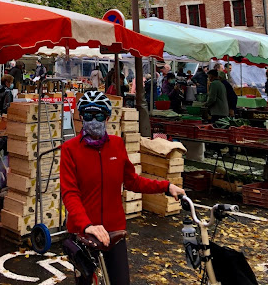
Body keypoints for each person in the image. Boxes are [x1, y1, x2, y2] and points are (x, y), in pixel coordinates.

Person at [60, 90, 185, 285]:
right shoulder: (70, 149)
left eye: (99, 115)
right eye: (88, 115)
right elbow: (69, 193)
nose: (94, 120)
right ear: (81, 117)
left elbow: (132, 181)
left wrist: (166, 186)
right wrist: (87, 225)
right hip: (83, 232)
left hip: (113, 230)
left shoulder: (117, 145)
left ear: (107, 117)